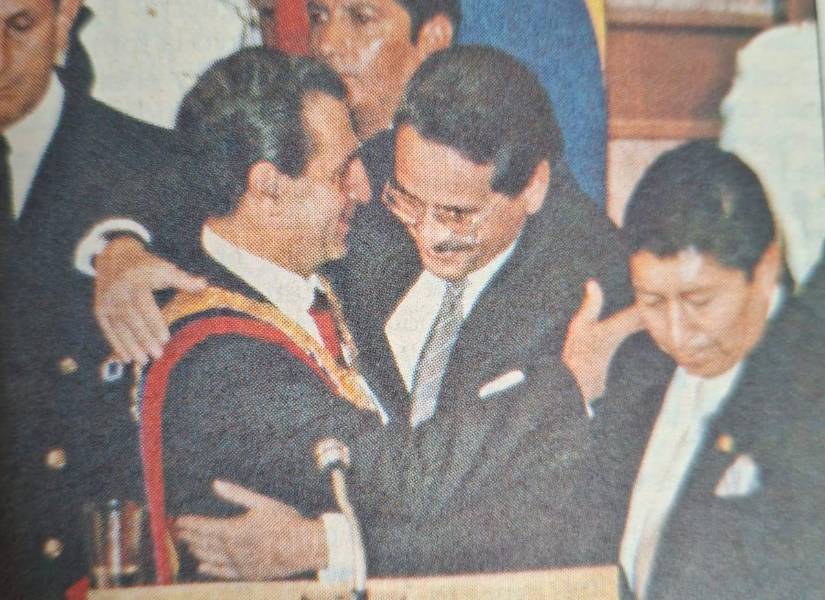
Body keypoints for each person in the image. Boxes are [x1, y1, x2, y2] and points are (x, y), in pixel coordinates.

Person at [173, 45, 633, 581]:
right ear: (268, 186)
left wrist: (327, 546)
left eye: (457, 214)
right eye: (344, 172)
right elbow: (404, 471)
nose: (363, 188)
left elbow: (551, 519)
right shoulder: (226, 358)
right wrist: (565, 389)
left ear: (531, 187)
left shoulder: (589, 296)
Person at [576, 142, 825, 599]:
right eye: (652, 302)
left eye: (700, 301)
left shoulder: (808, 391)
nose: (676, 334)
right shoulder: (637, 367)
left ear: (765, 269)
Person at [0, 0, 182, 597]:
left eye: (18, 26)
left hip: (79, 570)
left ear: (64, 21)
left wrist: (119, 242)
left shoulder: (146, 161)